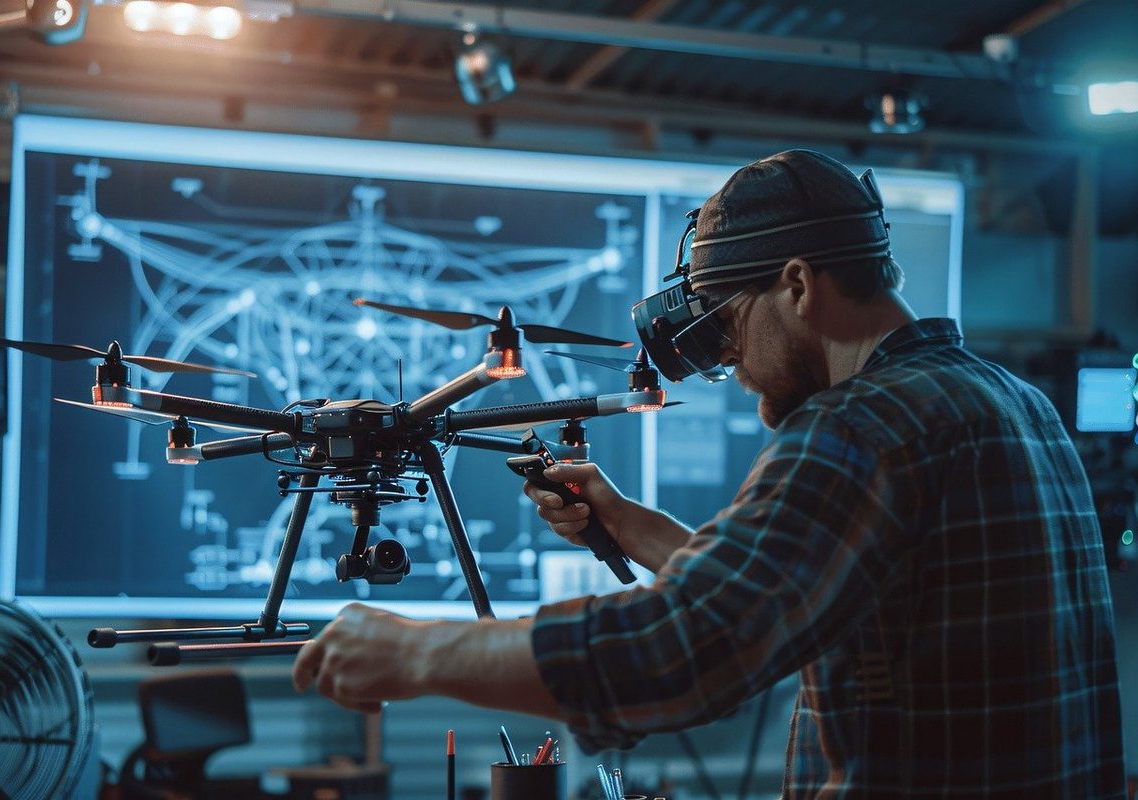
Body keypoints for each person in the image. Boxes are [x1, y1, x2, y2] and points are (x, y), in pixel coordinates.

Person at [293, 150, 1126, 798]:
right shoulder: (1010, 402)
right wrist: (625, 522)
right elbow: (789, 589)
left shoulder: (860, 426)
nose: (736, 369)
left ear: (797, 285)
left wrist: (420, 652)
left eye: (727, 336)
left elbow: (685, 649)